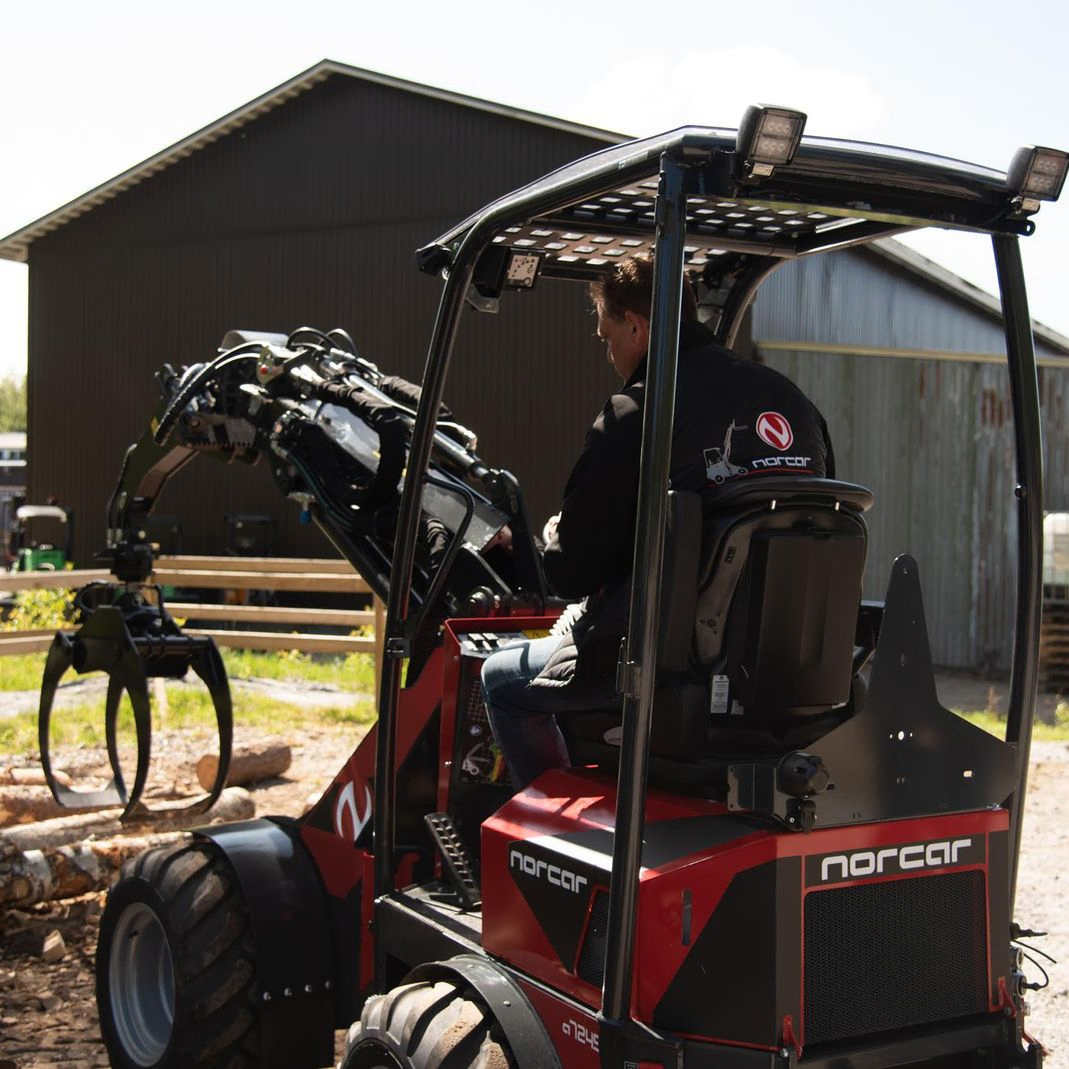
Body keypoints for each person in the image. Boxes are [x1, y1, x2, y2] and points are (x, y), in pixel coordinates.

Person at [481, 256, 834, 788]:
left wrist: (558, 537)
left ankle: (546, 821)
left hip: (670, 672)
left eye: (607, 336)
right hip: (788, 672)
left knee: (499, 681)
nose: (608, 353)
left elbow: (571, 574)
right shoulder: (794, 404)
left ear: (635, 325)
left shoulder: (636, 412)